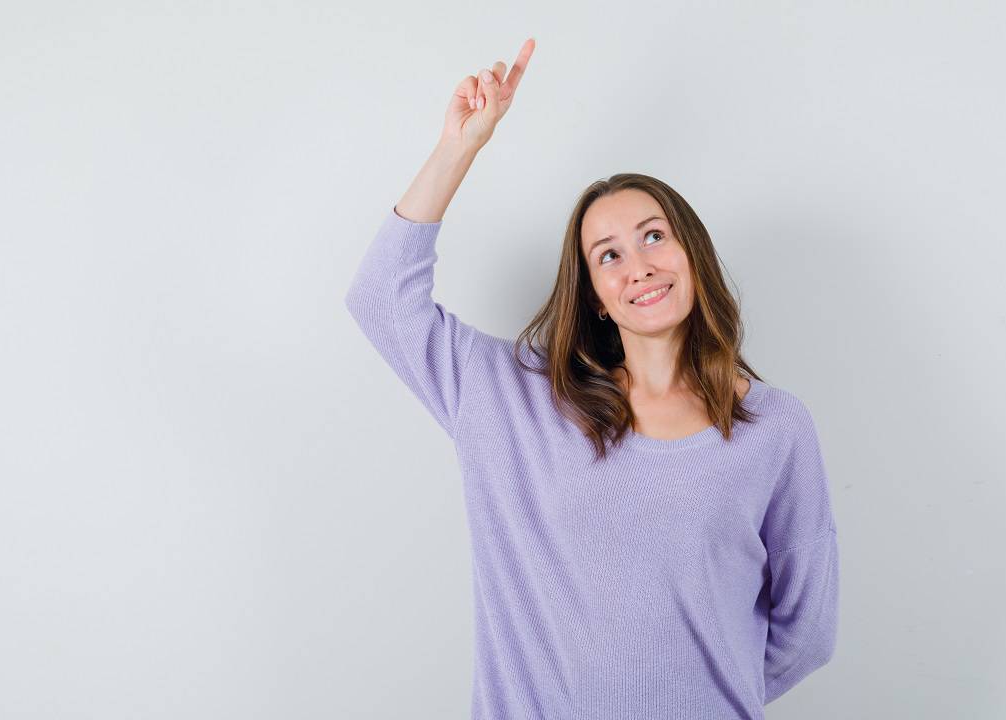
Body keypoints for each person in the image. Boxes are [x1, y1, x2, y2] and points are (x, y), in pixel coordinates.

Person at [344, 37, 839, 720]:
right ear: (597, 296)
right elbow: (380, 301)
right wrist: (461, 146)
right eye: (609, 255)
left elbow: (806, 635)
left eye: (654, 236)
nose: (637, 265)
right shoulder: (513, 399)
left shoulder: (775, 430)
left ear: (692, 253)